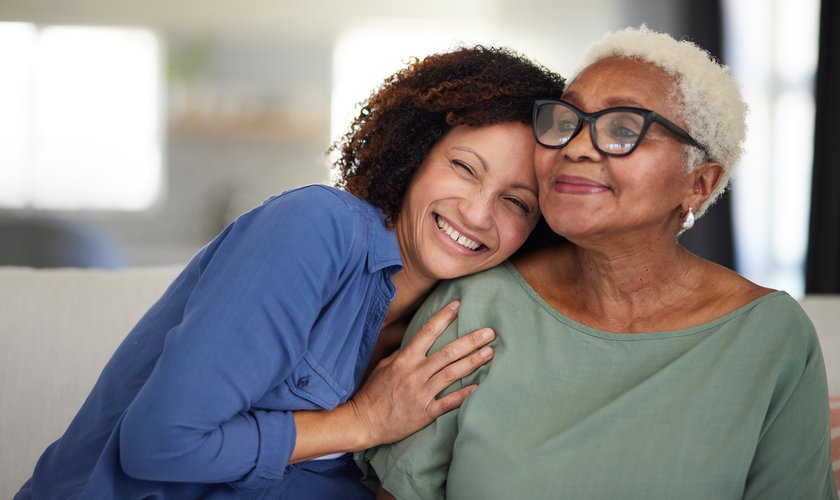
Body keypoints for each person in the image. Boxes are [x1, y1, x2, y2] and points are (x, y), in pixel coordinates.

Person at [16, 46, 566, 499]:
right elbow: (162, 442)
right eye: (464, 168)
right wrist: (364, 422)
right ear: (416, 152)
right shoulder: (317, 226)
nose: (477, 213)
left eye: (517, 203)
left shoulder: (463, 317)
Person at [363, 27, 837, 499]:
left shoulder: (770, 337)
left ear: (699, 183)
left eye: (623, 129)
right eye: (565, 121)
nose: (575, 146)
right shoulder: (475, 303)